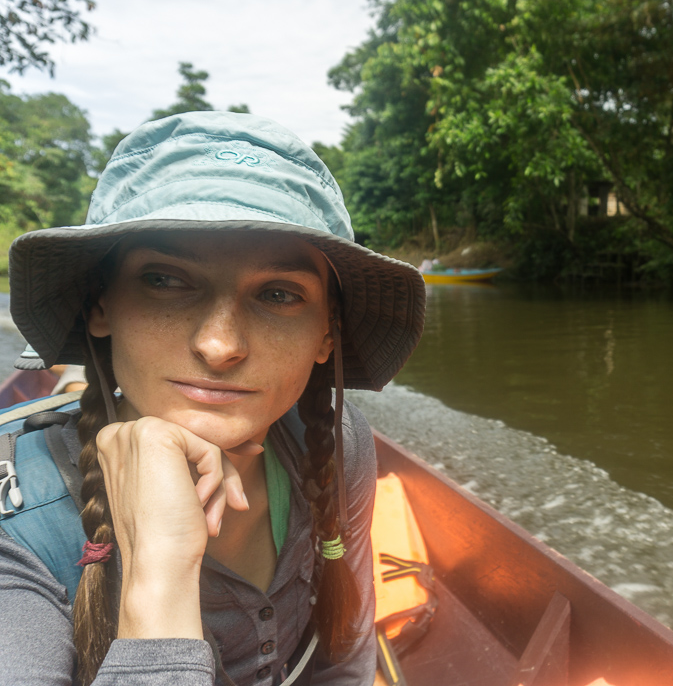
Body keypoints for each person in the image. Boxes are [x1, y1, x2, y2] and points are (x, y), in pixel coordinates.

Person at [0, 112, 425, 685]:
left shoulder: (338, 440)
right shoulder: (18, 533)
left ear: (328, 333)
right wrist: (159, 577)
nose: (219, 345)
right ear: (100, 305)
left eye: (278, 294)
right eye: (166, 280)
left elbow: (343, 662)